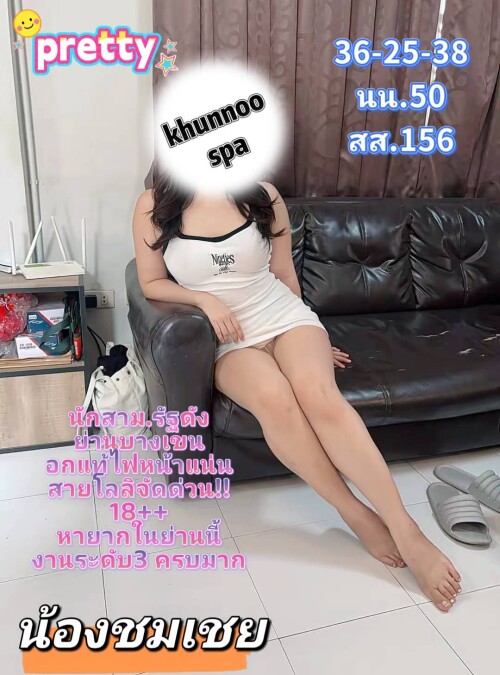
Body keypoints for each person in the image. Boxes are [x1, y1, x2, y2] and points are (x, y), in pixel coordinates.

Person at [133, 176, 461, 612]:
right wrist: (205, 302)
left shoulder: (262, 195)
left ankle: (406, 529)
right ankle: (354, 512)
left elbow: (284, 274)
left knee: (318, 394)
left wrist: (313, 338)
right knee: (275, 399)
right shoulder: (155, 204)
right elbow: (151, 282)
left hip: (283, 316)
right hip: (227, 339)